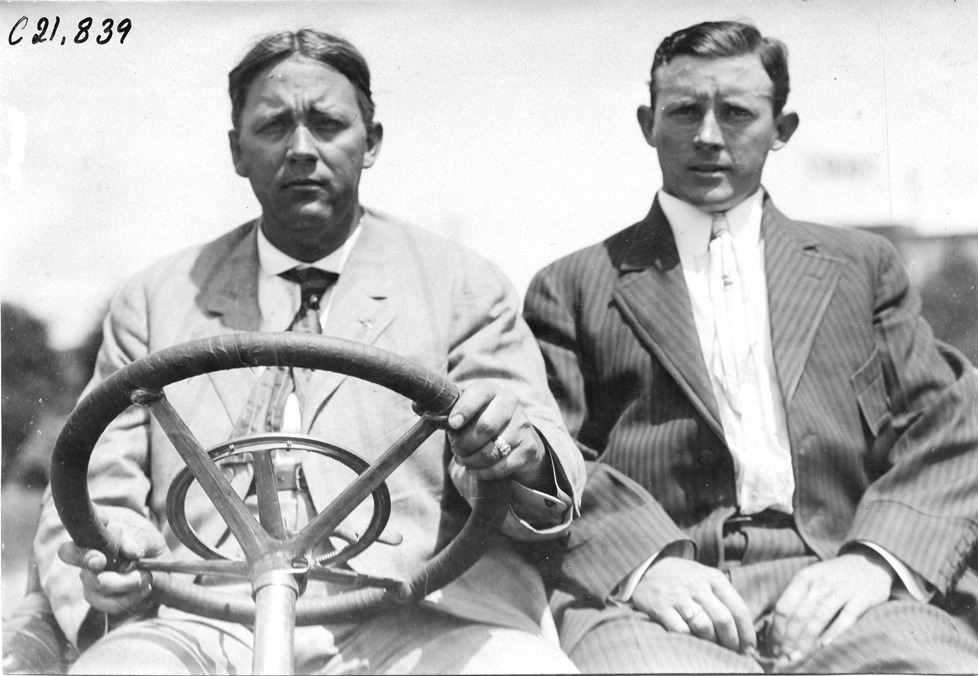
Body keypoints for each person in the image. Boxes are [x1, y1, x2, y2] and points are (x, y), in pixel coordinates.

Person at [33, 29, 584, 674]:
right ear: (237, 151)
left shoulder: (463, 285)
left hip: (421, 616)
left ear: (371, 142)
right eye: (273, 126)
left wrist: (514, 453)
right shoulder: (156, 299)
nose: (301, 149)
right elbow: (91, 488)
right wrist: (109, 555)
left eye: (327, 124)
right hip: (204, 620)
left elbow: (538, 466)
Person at [523, 20, 978, 673]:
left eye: (736, 113)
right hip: (656, 602)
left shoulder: (862, 266)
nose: (709, 136)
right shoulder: (572, 287)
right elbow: (545, 455)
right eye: (685, 111)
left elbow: (953, 426)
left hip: (843, 581)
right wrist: (643, 563)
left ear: (781, 128)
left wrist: (875, 561)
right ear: (649, 124)